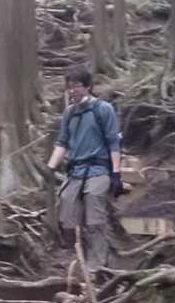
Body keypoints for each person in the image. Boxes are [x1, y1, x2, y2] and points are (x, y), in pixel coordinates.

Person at [46, 66, 124, 271]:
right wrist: (50, 167)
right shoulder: (69, 113)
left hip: (99, 169)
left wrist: (116, 173)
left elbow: (113, 143)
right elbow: (62, 142)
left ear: (88, 86)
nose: (73, 90)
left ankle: (97, 266)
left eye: (77, 86)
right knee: (67, 217)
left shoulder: (103, 109)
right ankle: (80, 259)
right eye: (69, 87)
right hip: (75, 172)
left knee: (95, 217)